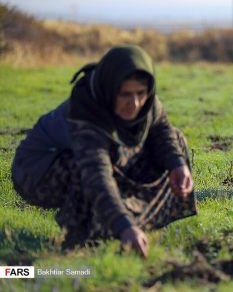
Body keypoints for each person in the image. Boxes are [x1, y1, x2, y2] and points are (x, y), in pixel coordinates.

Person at [11, 45, 197, 257]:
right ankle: (84, 237)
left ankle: (136, 225)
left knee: (176, 140)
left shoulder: (149, 103)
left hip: (93, 160)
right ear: (110, 88)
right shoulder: (85, 112)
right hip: (37, 172)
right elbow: (96, 175)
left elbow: (162, 132)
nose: (134, 103)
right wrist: (123, 226)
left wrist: (178, 165)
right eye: (125, 94)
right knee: (87, 164)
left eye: (140, 93)